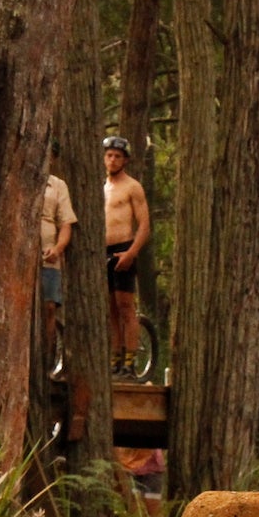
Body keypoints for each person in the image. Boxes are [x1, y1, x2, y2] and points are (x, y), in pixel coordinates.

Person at [103, 134, 150, 377]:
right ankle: (115, 358)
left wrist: (132, 253)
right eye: (109, 155)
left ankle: (130, 362)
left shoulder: (132, 187)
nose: (112, 160)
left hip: (125, 248)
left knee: (125, 306)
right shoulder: (103, 188)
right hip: (104, 252)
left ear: (125, 160)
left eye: (117, 156)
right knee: (110, 308)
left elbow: (144, 225)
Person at [38, 156, 77, 361]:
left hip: (48, 257)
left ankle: (47, 359)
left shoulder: (58, 185)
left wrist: (58, 248)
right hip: (22, 257)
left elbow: (66, 224)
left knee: (49, 306)